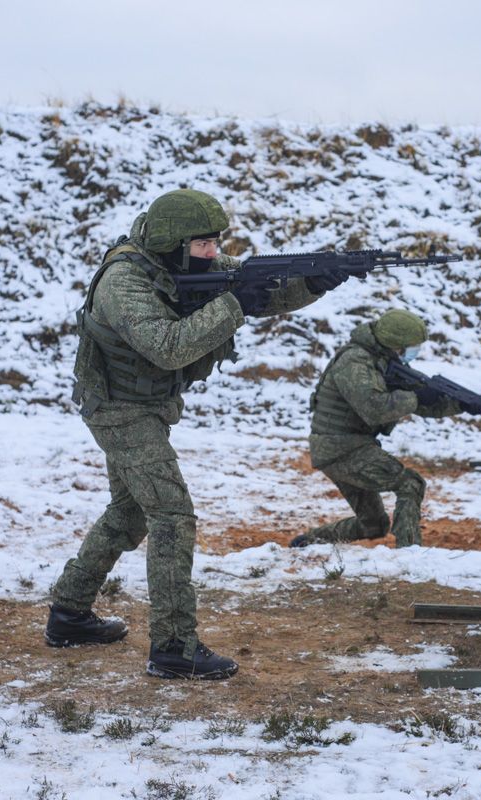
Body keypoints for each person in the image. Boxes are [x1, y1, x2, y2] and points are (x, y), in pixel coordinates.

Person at [46, 188, 349, 679]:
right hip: (119, 410)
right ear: (175, 241)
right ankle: (173, 646)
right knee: (171, 515)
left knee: (128, 516)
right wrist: (234, 304)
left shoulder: (182, 263)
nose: (214, 253)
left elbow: (255, 291)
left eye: (215, 243)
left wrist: (314, 283)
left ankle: (69, 614)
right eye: (205, 244)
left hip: (146, 406)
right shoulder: (124, 282)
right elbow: (166, 346)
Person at [290, 309, 462, 549]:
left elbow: (420, 402)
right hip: (341, 449)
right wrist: (415, 396)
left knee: (374, 525)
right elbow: (375, 408)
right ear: (396, 344)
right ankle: (410, 552)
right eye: (411, 346)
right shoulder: (355, 362)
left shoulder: (383, 361)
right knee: (410, 483)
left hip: (345, 448)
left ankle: (308, 541)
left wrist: (457, 405)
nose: (415, 351)